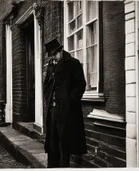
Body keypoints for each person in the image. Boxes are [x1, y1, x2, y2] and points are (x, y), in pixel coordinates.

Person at [43, 38, 87, 168]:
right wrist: (48, 98)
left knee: (65, 144)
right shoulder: (51, 67)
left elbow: (81, 83)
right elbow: (46, 85)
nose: (54, 58)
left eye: (55, 54)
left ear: (61, 51)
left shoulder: (73, 64)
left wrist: (71, 99)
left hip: (67, 111)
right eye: (52, 55)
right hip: (53, 110)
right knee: (52, 143)